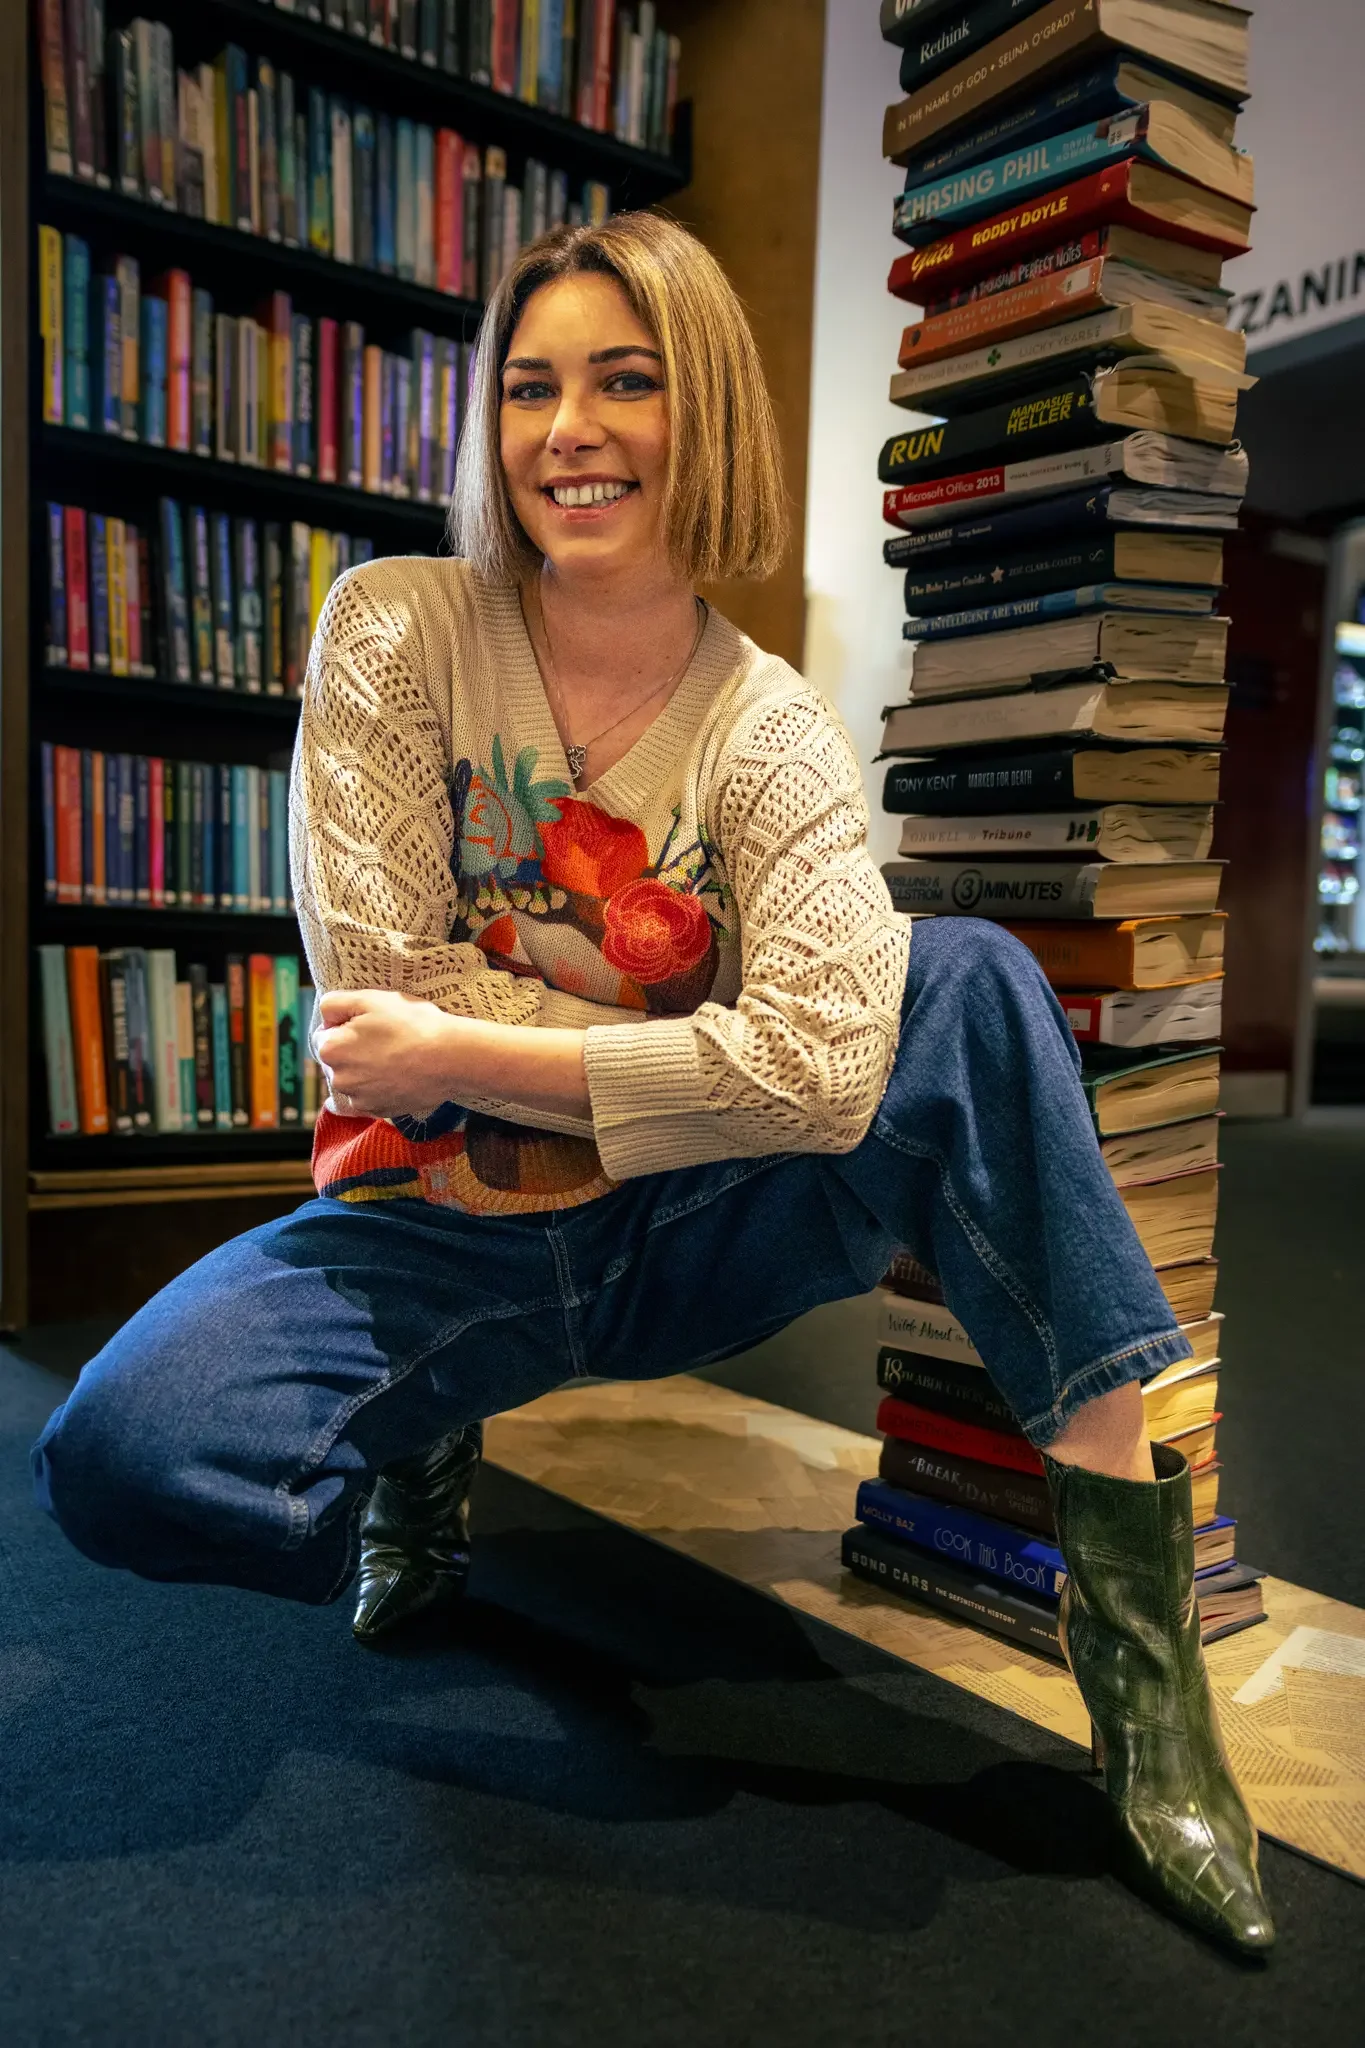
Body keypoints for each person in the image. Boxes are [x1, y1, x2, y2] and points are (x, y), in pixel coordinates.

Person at [32, 213, 1270, 1954]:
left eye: (626, 381)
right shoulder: (398, 631)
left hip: (696, 1227)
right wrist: (682, 1062)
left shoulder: (768, 729)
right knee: (117, 1456)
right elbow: (372, 980)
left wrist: (468, 1049)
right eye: (530, 388)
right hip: (439, 1227)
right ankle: (418, 1447)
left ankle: (1145, 1689)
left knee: (967, 977)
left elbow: (826, 1059)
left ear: (705, 418)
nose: (569, 431)